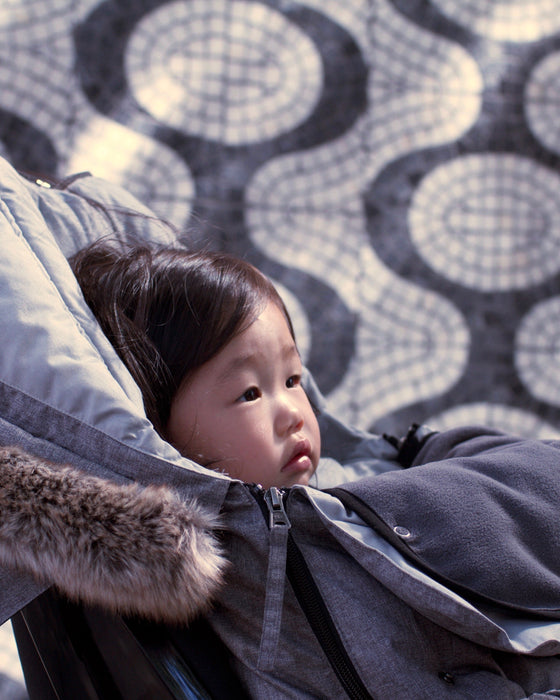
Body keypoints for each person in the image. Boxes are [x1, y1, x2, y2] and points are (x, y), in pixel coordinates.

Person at [71, 240, 321, 489]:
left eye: (292, 380)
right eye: (250, 394)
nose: (293, 415)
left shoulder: (347, 499)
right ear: (161, 433)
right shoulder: (162, 527)